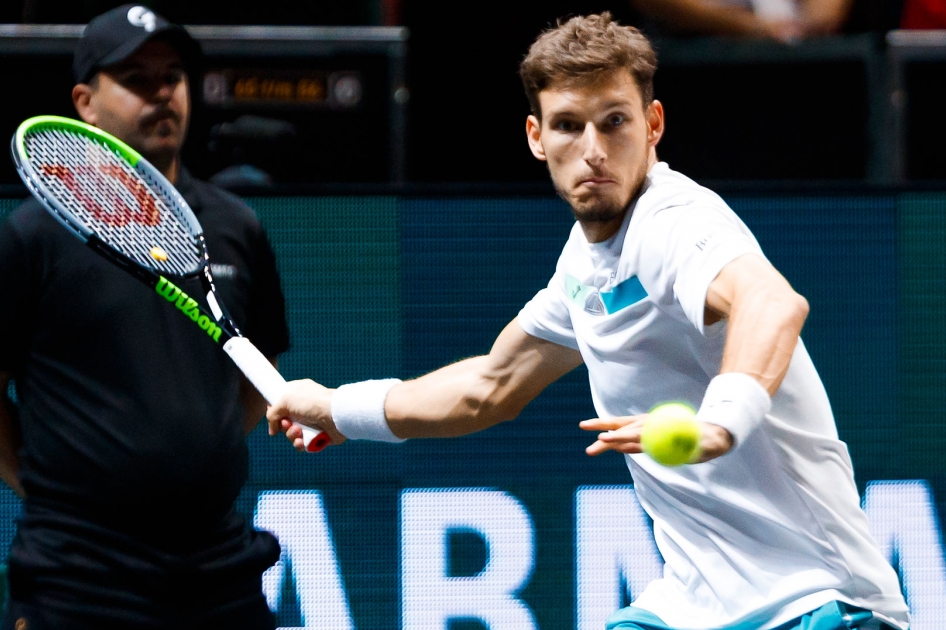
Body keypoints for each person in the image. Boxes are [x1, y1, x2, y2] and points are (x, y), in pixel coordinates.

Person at [267, 12, 910, 630]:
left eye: (615, 122)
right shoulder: (584, 265)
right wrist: (336, 408)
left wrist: (720, 422)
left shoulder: (673, 222)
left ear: (653, 124)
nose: (594, 150)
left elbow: (772, 303)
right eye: (570, 126)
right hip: (695, 605)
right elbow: (490, 387)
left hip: (821, 602)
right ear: (536, 137)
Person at [0, 5, 289, 629]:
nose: (162, 93)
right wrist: (54, 492)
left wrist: (191, 463)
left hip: (218, 568)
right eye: (136, 78)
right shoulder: (31, 235)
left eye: (172, 75)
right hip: (79, 575)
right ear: (85, 101)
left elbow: (254, 369)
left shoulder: (236, 226)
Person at [630, 0, 853, 41]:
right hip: (694, 62)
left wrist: (811, 23)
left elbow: (824, 13)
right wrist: (747, 25)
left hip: (800, 58)